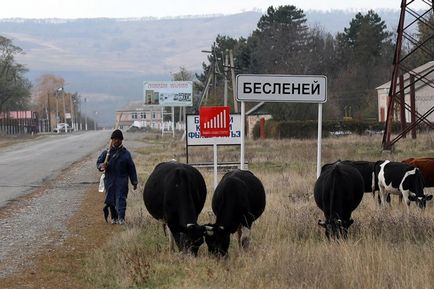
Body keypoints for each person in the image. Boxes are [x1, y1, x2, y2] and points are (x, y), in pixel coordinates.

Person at [96, 129, 138, 225]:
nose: (116, 141)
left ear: (121, 140)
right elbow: (98, 163)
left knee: (121, 199)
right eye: (114, 139)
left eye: (118, 139)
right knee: (111, 200)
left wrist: (134, 181)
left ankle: (121, 218)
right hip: (109, 180)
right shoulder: (106, 153)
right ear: (112, 140)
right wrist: (102, 165)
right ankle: (114, 218)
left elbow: (131, 168)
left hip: (122, 180)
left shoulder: (126, 154)